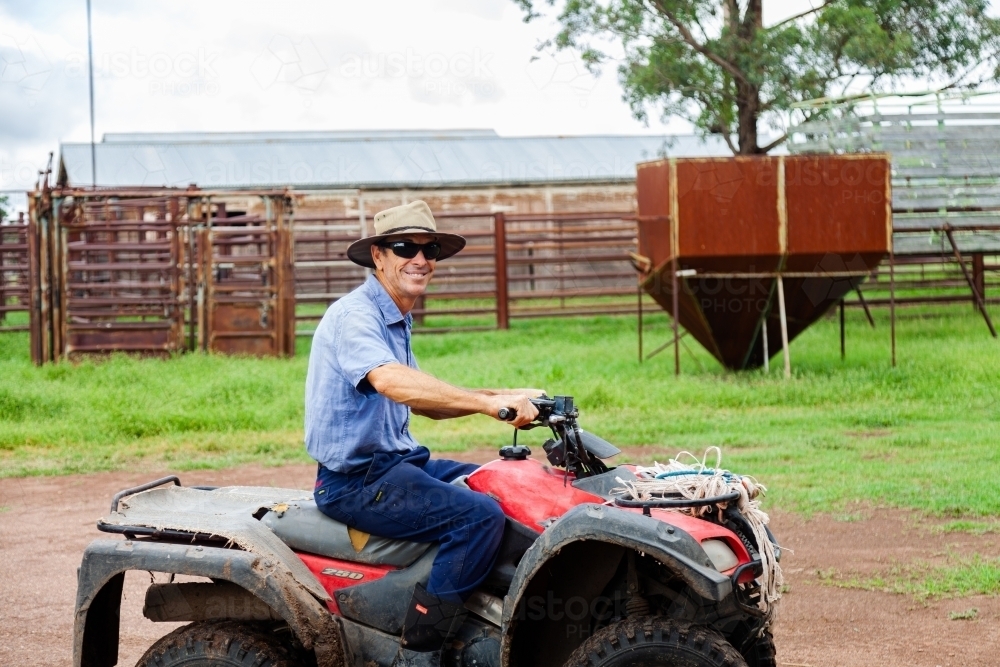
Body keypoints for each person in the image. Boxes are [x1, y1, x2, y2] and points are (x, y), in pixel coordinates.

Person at [304, 200, 539, 666]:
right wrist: (490, 404)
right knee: (479, 518)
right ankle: (421, 650)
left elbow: (427, 401)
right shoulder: (357, 317)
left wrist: (502, 395)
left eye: (429, 249)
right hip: (357, 483)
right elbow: (391, 382)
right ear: (379, 256)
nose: (420, 258)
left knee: (504, 485)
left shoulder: (394, 316)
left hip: (395, 464)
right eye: (404, 247)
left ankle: (486, 615)